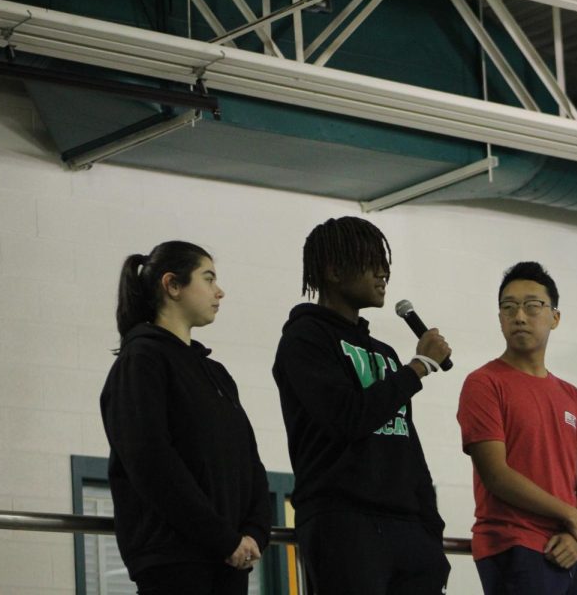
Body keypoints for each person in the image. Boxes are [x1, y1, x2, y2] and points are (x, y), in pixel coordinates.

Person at [272, 216, 452, 595]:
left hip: (409, 529)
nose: (383, 272)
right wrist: (417, 368)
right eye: (371, 261)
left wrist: (430, 528)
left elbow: (407, 446)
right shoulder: (304, 340)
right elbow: (347, 418)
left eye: (384, 262)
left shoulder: (384, 353)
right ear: (334, 271)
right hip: (344, 524)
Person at [100, 241, 272, 595]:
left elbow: (248, 460)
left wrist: (255, 531)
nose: (219, 291)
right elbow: (151, 463)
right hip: (175, 560)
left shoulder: (216, 373)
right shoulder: (142, 360)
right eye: (208, 279)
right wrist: (223, 538)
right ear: (173, 285)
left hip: (229, 558)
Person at [457, 262, 577, 595]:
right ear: (500, 318)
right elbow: (496, 474)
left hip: (575, 550)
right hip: (516, 544)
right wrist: (573, 518)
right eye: (509, 308)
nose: (520, 316)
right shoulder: (484, 383)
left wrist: (576, 532)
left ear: (555, 317)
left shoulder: (572, 395)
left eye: (532, 306)